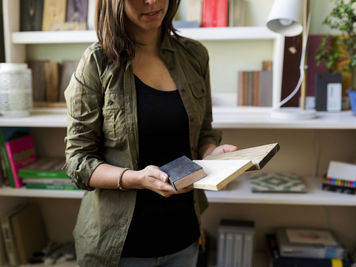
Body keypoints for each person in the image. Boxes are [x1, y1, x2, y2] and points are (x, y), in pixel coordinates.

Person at [63, 0, 237, 266]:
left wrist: (211, 152)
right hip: (119, 248)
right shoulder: (97, 62)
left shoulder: (194, 55)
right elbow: (78, 162)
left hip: (183, 239)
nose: (152, 2)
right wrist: (136, 178)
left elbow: (204, 130)